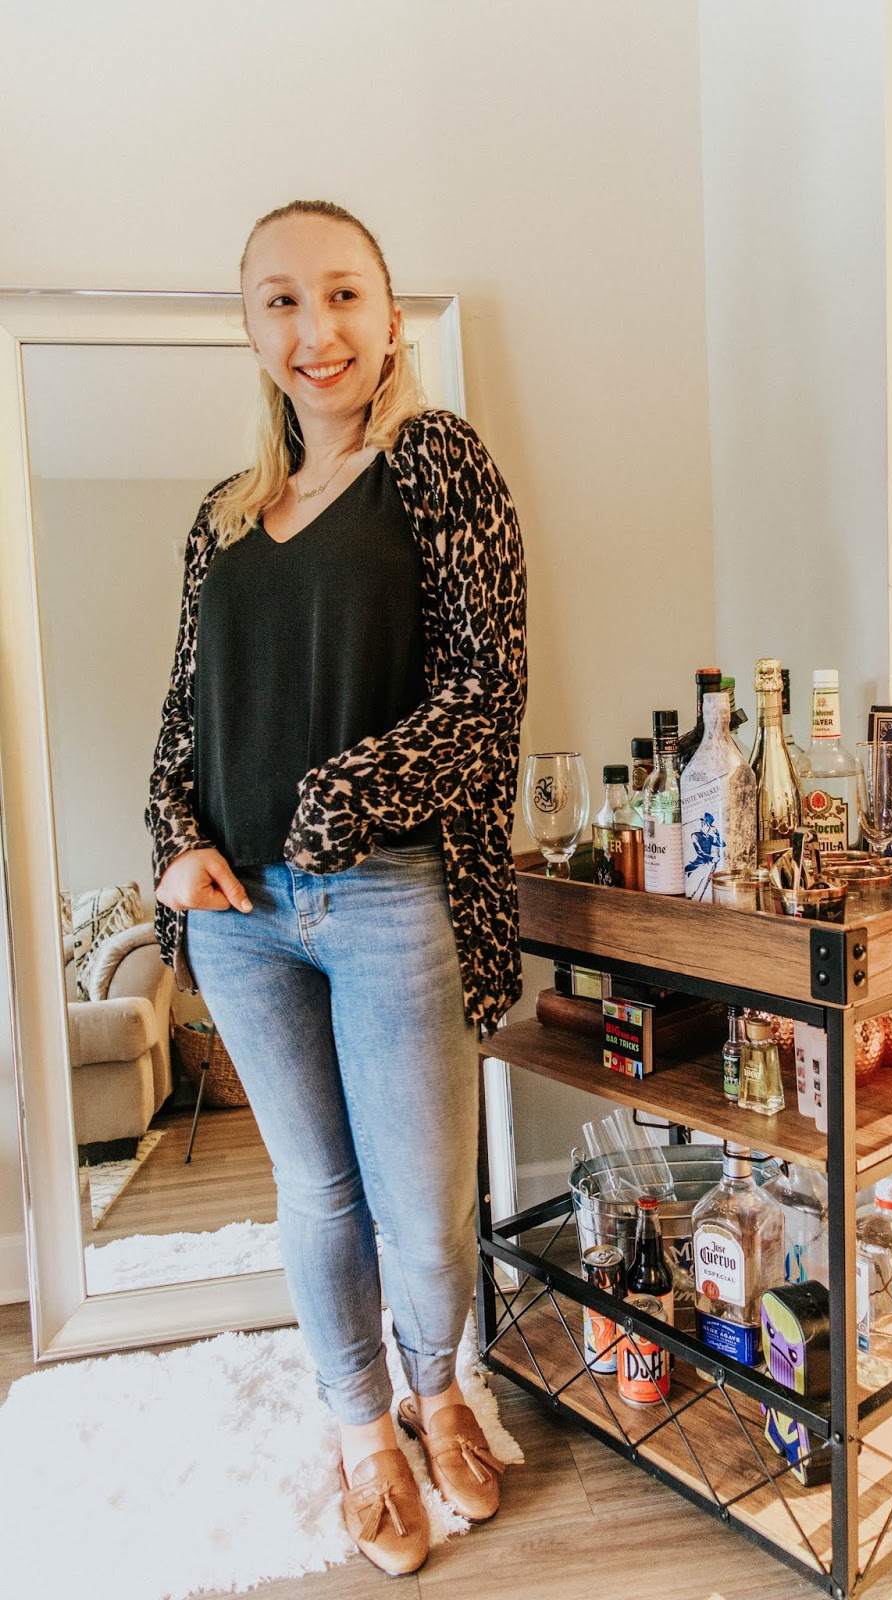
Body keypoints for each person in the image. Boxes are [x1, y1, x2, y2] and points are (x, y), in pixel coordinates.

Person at [146, 199, 527, 1578]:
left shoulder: (434, 462)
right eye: (283, 301)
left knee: (423, 1208)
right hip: (240, 917)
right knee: (316, 1194)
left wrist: (335, 800)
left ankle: (441, 1395)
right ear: (251, 328)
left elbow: (489, 691)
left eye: (344, 294)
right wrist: (170, 836)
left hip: (387, 897)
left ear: (389, 315)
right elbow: (184, 714)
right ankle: (364, 1435)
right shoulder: (221, 517)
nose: (317, 330)